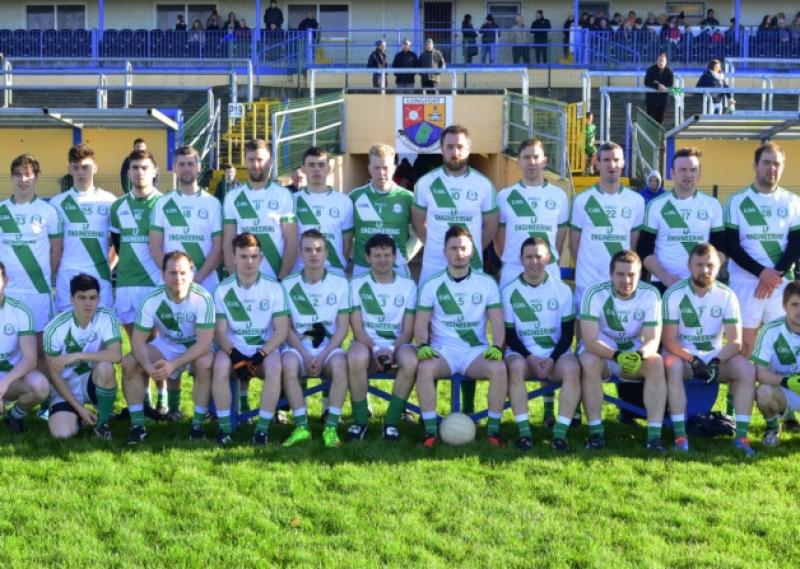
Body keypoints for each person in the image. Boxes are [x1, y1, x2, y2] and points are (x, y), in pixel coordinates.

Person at [414, 225, 506, 447]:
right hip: (443, 351)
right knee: (425, 368)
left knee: (499, 368)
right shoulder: (431, 284)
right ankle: (430, 432)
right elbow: (421, 322)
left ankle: (493, 432)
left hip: (474, 352)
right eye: (453, 248)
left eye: (464, 248)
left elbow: (497, 321)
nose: (459, 253)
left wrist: (498, 347)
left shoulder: (486, 283)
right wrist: (422, 345)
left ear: (472, 251)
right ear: (444, 251)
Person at [661, 243, 756, 455]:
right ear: (689, 266)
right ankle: (680, 436)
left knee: (746, 369)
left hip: (715, 358)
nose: (705, 270)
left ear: (719, 266)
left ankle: (741, 437)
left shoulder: (727, 295)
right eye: (699, 264)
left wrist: (716, 361)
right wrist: (692, 360)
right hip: (683, 357)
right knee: (672, 366)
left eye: (710, 265)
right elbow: (668, 340)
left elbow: (735, 342)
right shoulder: (674, 294)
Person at [122, 251, 215, 444]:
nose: (178, 278)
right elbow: (138, 342)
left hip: (194, 348)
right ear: (163, 275)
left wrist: (174, 364)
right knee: (130, 362)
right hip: (166, 346)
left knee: (205, 363)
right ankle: (137, 426)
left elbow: (205, 343)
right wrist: (148, 366)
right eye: (172, 273)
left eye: (182, 272)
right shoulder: (151, 300)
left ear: (191, 274)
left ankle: (197, 426)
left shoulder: (203, 298)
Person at [579, 250, 667, 451]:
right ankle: (595, 434)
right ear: (611, 274)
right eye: (620, 274)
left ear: (640, 274)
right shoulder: (593, 293)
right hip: (603, 356)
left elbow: (653, 339)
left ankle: (654, 436)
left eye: (631, 275)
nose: (626, 280)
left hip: (633, 358)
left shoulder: (651, 294)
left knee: (656, 362)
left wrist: (639, 355)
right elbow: (590, 341)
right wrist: (617, 356)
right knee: (589, 362)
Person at [211, 232, 290, 446]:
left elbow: (281, 331)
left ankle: (262, 431)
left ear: (261, 259)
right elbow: (219, 331)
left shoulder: (274, 288)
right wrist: (235, 355)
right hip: (233, 349)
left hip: (263, 350)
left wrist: (259, 356)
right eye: (243, 256)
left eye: (254, 257)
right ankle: (226, 428)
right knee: (219, 367)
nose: (249, 261)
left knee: (275, 367)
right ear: (234, 258)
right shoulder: (222, 289)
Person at [502, 237, 579, 451]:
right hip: (523, 355)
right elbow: (510, 335)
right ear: (521, 259)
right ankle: (525, 433)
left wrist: (552, 359)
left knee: (573, 368)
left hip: (556, 353)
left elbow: (567, 335)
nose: (534, 262)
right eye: (529, 257)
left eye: (538, 256)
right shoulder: (509, 291)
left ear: (548, 258)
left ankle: (560, 434)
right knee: (515, 367)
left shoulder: (563, 290)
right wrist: (531, 358)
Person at [724, 142, 800, 358]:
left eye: (777, 164)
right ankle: (740, 392)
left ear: (783, 167)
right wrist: (761, 273)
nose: (771, 168)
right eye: (766, 163)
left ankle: (773, 391)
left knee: (780, 348)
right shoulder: (736, 201)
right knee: (744, 348)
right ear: (755, 165)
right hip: (746, 283)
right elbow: (732, 245)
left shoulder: (793, 201)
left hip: (780, 284)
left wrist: (773, 276)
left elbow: (796, 243)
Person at [280, 229, 351, 448]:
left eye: (319, 249)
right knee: (289, 364)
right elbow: (286, 328)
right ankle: (301, 426)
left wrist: (322, 356)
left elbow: (343, 327)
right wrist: (304, 353)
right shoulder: (288, 284)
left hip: (328, 349)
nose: (314, 254)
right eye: (308, 249)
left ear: (327, 253)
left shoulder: (340, 283)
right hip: (298, 348)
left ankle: (330, 427)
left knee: (341, 365)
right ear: (300, 252)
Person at [110, 148, 167, 415]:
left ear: (154, 171)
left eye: (144, 167)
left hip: (155, 283)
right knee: (136, 346)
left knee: (158, 343)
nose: (139, 172)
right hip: (126, 285)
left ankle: (163, 398)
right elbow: (118, 245)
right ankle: (143, 400)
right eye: (134, 168)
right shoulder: (118, 207)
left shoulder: (165, 203)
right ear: (128, 172)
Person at [347, 234, 417, 441]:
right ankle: (360, 422)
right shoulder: (356, 284)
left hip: (398, 345)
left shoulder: (408, 286)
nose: (383, 260)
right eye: (377, 255)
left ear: (395, 257)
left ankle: (391, 422)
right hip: (366, 344)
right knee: (356, 357)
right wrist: (377, 349)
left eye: (387, 255)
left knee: (411, 361)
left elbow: (408, 331)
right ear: (367, 258)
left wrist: (391, 349)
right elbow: (357, 329)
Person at [412, 124, 498, 284]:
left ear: (469, 148)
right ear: (442, 149)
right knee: (428, 309)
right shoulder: (425, 183)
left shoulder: (484, 184)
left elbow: (492, 226)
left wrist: (474, 247)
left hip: (471, 263)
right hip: (434, 264)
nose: (455, 152)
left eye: (460, 146)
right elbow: (417, 223)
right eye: (450, 147)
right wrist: (434, 244)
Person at [569, 142, 645, 316]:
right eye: (607, 160)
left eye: (617, 160)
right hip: (588, 280)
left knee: (618, 332)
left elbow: (632, 247)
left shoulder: (636, 201)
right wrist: (585, 271)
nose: (612, 165)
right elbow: (573, 245)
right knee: (584, 336)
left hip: (619, 281)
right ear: (597, 163)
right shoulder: (582, 200)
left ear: (623, 163)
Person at [44, 274, 122, 440]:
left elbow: (116, 355)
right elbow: (54, 376)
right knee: (62, 434)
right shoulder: (54, 328)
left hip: (91, 381)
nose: (88, 303)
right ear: (72, 299)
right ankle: (79, 416)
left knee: (106, 367)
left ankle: (102, 424)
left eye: (93, 298)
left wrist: (77, 355)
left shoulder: (106, 316)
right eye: (82, 298)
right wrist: (79, 408)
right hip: (66, 387)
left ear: (99, 298)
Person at [638, 148, 726, 294]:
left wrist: (705, 274)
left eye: (693, 169)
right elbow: (644, 251)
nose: (688, 174)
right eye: (683, 169)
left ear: (700, 173)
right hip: (664, 284)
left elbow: (721, 250)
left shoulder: (712, 205)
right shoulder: (656, 205)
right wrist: (666, 277)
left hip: (701, 284)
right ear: (672, 173)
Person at [0, 154, 62, 341]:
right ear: (11, 177)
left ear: (36, 177)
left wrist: (44, 275)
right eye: (18, 174)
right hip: (8, 291)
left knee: (41, 348)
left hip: (38, 291)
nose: (23, 179)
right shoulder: (2, 209)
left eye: (27, 174)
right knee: (8, 344)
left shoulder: (48, 211)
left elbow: (56, 250)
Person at [50, 144, 116, 313]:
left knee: (101, 328)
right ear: (69, 169)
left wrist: (110, 264)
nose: (81, 172)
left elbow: (118, 240)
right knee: (67, 329)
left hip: (99, 272)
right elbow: (53, 244)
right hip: (67, 273)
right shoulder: (57, 203)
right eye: (76, 167)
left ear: (95, 168)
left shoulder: (109, 201)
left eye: (85, 167)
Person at [495, 138, 568, 289]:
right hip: (514, 270)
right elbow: (499, 236)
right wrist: (512, 258)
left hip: (548, 269)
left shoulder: (559, 196)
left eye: (536, 157)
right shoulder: (505, 196)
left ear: (544, 161)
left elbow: (559, 240)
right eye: (526, 157)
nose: (532, 162)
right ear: (518, 162)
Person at [150, 145, 222, 293]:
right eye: (181, 164)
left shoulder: (212, 203)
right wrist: (172, 276)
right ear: (174, 168)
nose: (186, 168)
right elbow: (154, 246)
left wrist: (198, 278)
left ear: (199, 167)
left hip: (205, 282)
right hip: (171, 284)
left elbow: (219, 247)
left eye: (190, 164)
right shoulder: (162, 203)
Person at [222, 139, 297, 281]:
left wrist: (282, 277)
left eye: (260, 160)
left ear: (270, 162)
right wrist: (234, 277)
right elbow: (228, 242)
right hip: (243, 281)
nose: (256, 165)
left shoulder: (284, 195)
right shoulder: (233, 197)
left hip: (275, 278)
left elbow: (291, 240)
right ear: (245, 162)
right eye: (251, 160)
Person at [349, 144, 413, 278]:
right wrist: (354, 254)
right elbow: (345, 233)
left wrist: (407, 254)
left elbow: (420, 232)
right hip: (363, 267)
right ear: (369, 168)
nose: (381, 173)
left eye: (386, 168)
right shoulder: (354, 197)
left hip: (397, 268)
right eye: (376, 168)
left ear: (394, 169)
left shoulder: (407, 198)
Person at [292, 146, 353, 274]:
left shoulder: (344, 201)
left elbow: (347, 243)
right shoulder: (292, 201)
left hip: (334, 271)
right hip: (300, 270)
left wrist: (340, 265)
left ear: (329, 168)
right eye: (311, 165)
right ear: (303, 169)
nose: (316, 169)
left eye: (321, 165)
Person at [754, 282, 800, 447]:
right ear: (784, 306)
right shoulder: (771, 330)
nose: (799, 310)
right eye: (795, 304)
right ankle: (773, 428)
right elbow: (759, 372)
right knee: (763, 391)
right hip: (782, 390)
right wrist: (786, 381)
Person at [644, 52, 674, 124]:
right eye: (659, 60)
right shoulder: (651, 70)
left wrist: (663, 86)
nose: (661, 62)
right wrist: (657, 86)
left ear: (666, 62)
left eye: (663, 61)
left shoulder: (669, 72)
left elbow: (670, 83)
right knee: (650, 122)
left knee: (660, 122)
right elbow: (646, 82)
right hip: (651, 101)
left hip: (662, 101)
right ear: (657, 61)